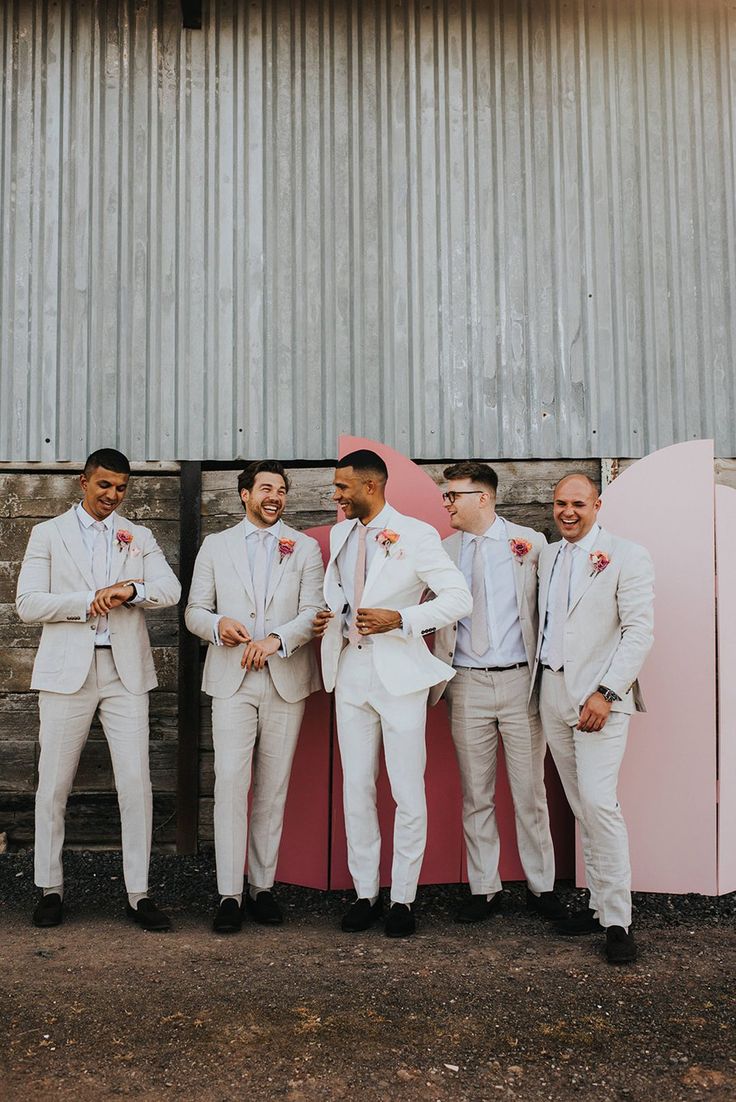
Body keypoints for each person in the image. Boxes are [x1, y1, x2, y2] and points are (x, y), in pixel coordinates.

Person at [16, 448, 181, 930]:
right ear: (82, 481)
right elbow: (28, 603)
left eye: (121, 488)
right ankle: (49, 886)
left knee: (136, 784)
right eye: (104, 485)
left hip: (125, 672)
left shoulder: (140, 535)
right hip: (67, 672)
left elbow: (169, 589)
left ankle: (139, 892)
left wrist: (131, 590)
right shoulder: (46, 534)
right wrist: (87, 600)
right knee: (53, 785)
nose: (112, 495)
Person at [314, 449, 472, 937]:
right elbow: (340, 593)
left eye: (342, 488)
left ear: (370, 487)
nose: (335, 496)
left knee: (407, 789)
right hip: (349, 671)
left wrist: (401, 618)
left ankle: (403, 898)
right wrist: (333, 616)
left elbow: (459, 599)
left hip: (398, 675)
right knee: (356, 786)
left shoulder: (418, 535)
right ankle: (366, 893)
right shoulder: (342, 534)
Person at [185, 461, 325, 933]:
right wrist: (218, 626)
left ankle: (261, 887)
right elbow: (194, 612)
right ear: (244, 494)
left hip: (285, 678)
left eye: (282, 490)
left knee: (273, 786)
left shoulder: (304, 548)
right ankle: (228, 893)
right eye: (266, 488)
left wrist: (277, 640)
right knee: (230, 784)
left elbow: (313, 612)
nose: (275, 496)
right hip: (231, 680)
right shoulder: (215, 545)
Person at [431, 461, 566, 924]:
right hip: (465, 682)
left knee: (530, 792)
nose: (446, 502)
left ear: (482, 498)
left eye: (453, 495)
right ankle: (483, 888)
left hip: (520, 683)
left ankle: (542, 887)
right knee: (476, 793)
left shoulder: (530, 544)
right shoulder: (442, 550)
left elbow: (551, 611)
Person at [532, 473, 655, 964]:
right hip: (551, 694)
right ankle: (599, 906)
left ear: (597, 505)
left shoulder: (627, 555)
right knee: (581, 805)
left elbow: (639, 631)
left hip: (599, 698)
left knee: (601, 804)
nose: (568, 512)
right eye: (561, 503)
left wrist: (606, 692)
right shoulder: (546, 554)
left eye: (578, 504)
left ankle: (619, 922)